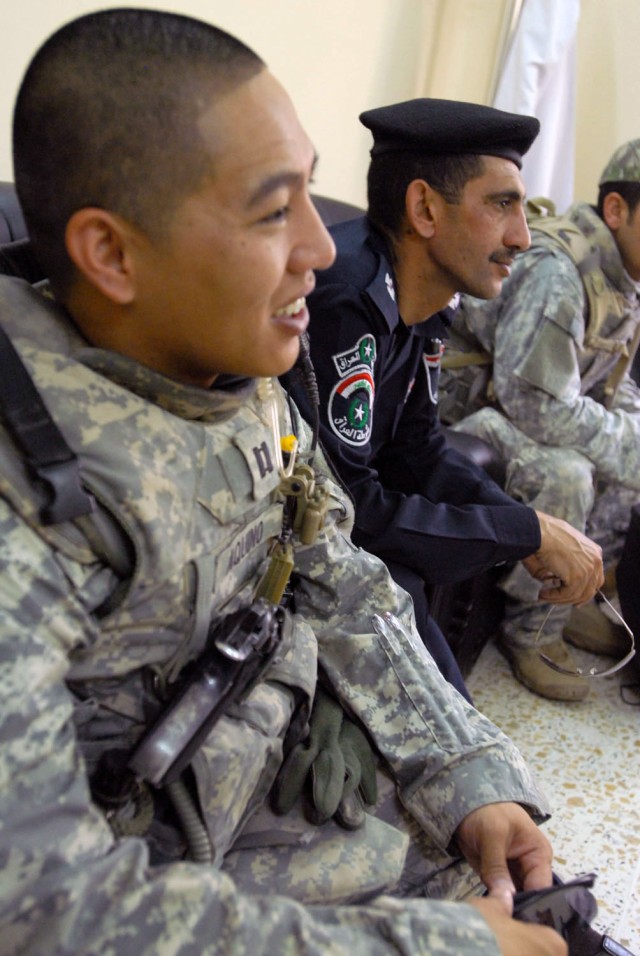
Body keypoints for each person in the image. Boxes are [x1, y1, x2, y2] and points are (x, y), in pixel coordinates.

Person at [0, 9, 595, 954]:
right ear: (112, 254)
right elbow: (46, 911)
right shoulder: (30, 494)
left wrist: (465, 766)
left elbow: (344, 575)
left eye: (311, 199)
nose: (323, 249)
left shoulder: (241, 387)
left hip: (266, 781)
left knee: (525, 887)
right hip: (156, 881)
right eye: (274, 210)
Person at [283, 98, 603, 702]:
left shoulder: (428, 296)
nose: (523, 236)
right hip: (297, 539)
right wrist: (522, 533)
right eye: (502, 203)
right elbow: (346, 505)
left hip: (344, 523)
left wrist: (526, 526)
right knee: (405, 601)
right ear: (425, 209)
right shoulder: (346, 299)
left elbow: (420, 448)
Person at [440, 140, 640, 701]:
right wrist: (626, 446)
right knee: (570, 470)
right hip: (466, 412)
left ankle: (580, 598)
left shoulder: (624, 277)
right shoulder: (558, 271)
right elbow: (533, 404)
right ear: (618, 210)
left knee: (626, 448)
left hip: (523, 405)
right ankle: (533, 631)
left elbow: (611, 386)